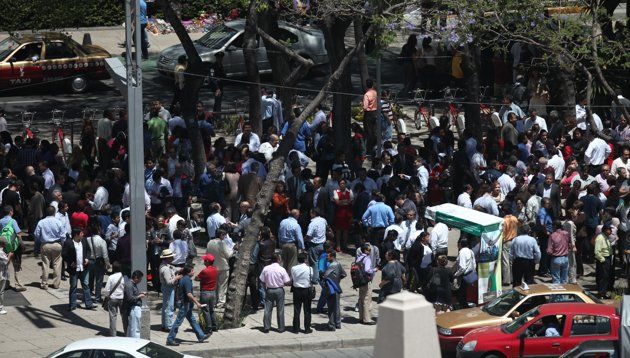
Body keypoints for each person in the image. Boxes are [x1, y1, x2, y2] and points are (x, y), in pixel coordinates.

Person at [166, 265, 209, 346]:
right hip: (185, 304)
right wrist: (197, 303)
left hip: (186, 303)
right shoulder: (187, 280)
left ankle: (201, 336)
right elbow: (188, 294)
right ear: (189, 272)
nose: (194, 272)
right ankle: (170, 339)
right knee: (178, 322)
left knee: (192, 320)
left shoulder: (184, 278)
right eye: (192, 270)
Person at [62, 228, 94, 310]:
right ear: (76, 235)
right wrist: (70, 262)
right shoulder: (68, 243)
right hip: (74, 269)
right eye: (81, 233)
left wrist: (87, 258)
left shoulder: (84, 241)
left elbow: (88, 251)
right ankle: (73, 304)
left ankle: (89, 304)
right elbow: (64, 254)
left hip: (84, 268)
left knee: (86, 285)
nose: (83, 235)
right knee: (73, 286)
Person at [259, 254, 291, 333]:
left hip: (269, 290)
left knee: (267, 309)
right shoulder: (281, 269)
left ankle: (266, 327)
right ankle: (281, 328)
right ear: (278, 260)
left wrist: (265, 288)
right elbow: (286, 281)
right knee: (280, 309)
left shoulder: (266, 268)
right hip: (279, 290)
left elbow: (261, 280)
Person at [0, 205, 25, 292]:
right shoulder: (13, 221)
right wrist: (22, 244)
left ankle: (5, 283)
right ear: (10, 212)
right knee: (16, 265)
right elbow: (18, 233)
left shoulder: (0, 221)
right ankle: (17, 285)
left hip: (4, 246)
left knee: (5, 264)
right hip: (14, 246)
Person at [205, 228, 232, 306]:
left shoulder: (209, 242)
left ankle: (214, 301)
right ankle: (221, 302)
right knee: (222, 285)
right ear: (221, 235)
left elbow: (207, 254)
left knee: (214, 285)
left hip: (213, 267)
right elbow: (229, 255)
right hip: (223, 267)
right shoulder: (222, 243)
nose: (225, 237)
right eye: (224, 235)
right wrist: (233, 249)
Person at [322, 251, 346, 331]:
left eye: (328, 256)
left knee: (331, 307)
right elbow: (344, 274)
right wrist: (337, 280)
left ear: (332, 257)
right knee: (337, 306)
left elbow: (325, 276)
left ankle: (331, 324)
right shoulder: (338, 264)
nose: (326, 258)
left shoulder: (331, 265)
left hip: (330, 288)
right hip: (337, 287)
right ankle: (338, 323)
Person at [291, 252, 314, 333]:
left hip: (296, 290)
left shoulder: (293, 268)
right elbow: (311, 279)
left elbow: (293, 278)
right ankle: (307, 328)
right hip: (306, 290)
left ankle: (296, 328)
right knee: (307, 310)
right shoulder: (310, 269)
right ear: (305, 259)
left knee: (297, 310)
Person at [159, 249, 181, 332]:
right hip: (168, 288)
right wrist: (177, 278)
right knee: (169, 307)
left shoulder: (166, 265)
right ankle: (168, 326)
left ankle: (165, 324)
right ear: (168, 258)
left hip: (166, 288)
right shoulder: (166, 269)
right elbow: (169, 282)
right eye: (171, 257)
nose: (172, 258)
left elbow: (174, 269)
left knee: (166, 306)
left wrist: (180, 269)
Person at [196, 253, 218, 334]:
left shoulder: (204, 271)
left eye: (205, 260)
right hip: (213, 293)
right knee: (212, 310)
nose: (204, 261)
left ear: (208, 261)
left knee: (205, 310)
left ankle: (209, 328)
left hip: (205, 293)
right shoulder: (215, 269)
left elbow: (197, 278)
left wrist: (201, 280)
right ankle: (215, 326)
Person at [104, 262, 125, 336]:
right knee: (124, 316)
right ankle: (126, 332)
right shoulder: (124, 277)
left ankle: (113, 334)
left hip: (113, 299)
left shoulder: (111, 277)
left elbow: (106, 290)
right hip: (122, 298)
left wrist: (107, 296)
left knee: (113, 317)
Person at [356, 243, 375, 325]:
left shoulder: (359, 258)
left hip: (359, 281)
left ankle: (361, 317)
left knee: (361, 299)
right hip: (366, 281)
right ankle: (367, 319)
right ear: (365, 250)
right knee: (367, 299)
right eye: (369, 250)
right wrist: (374, 270)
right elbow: (367, 270)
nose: (370, 251)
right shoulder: (367, 259)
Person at [453, 239, 476, 309]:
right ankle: (464, 305)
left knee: (459, 292)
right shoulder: (471, 251)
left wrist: (456, 274)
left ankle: (463, 307)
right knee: (464, 292)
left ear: (460, 244)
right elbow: (474, 264)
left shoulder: (462, 252)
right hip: (469, 274)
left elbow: (462, 267)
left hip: (463, 276)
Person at [594, 223, 613, 299]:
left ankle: (603, 292)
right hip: (603, 260)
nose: (611, 231)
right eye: (609, 230)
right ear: (605, 230)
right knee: (603, 277)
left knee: (605, 276)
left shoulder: (605, 237)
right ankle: (601, 294)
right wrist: (603, 260)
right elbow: (597, 251)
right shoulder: (600, 238)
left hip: (607, 258)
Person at [363, 79, 378, 156]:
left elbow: (365, 107)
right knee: (374, 131)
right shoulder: (375, 93)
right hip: (375, 113)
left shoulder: (366, 94)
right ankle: (374, 147)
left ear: (366, 85)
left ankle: (369, 149)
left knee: (368, 132)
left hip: (368, 114)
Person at [209, 52, 226, 120]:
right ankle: (218, 117)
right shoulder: (213, 66)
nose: (220, 59)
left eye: (221, 58)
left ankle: (214, 115)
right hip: (216, 87)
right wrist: (217, 89)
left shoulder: (221, 65)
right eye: (219, 58)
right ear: (216, 58)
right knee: (218, 101)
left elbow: (223, 76)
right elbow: (212, 78)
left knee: (218, 101)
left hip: (220, 86)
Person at [0, 239, 8, 315]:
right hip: (1, 275)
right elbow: (6, 262)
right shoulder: (1, 253)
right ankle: (0, 308)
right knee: (1, 291)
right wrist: (10, 255)